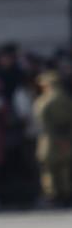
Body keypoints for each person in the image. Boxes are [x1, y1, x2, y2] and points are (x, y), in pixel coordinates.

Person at [32, 69, 72, 206]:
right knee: (65, 169)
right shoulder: (66, 98)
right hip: (64, 138)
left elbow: (42, 121)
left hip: (51, 139)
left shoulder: (46, 100)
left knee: (50, 169)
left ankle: (53, 196)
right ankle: (65, 195)